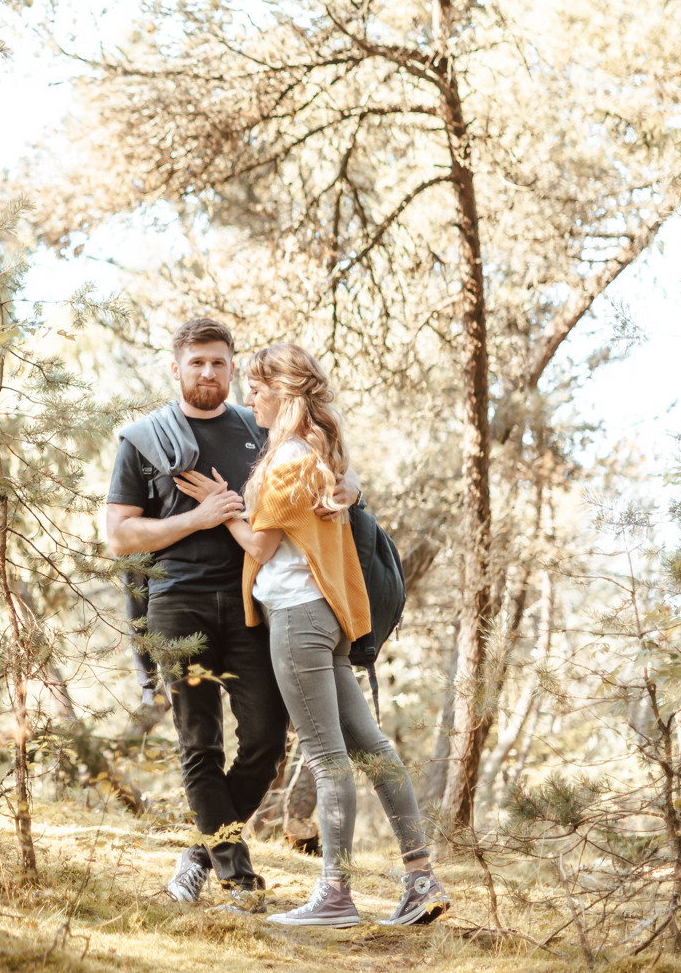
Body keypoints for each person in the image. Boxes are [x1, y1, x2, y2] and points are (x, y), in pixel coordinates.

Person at [180, 341, 448, 928]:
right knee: (372, 749)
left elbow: (259, 546)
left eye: (256, 388)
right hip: (329, 616)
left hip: (298, 618)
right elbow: (338, 499)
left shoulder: (285, 463)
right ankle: (421, 877)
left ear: (283, 393)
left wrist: (222, 506)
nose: (248, 398)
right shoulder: (321, 456)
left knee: (329, 759)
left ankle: (335, 896)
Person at [104, 319, 358, 908]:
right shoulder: (144, 440)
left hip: (251, 600)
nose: (209, 374)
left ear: (231, 364)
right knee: (200, 741)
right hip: (176, 601)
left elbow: (321, 462)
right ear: (176, 368)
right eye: (197, 363)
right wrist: (198, 517)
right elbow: (119, 537)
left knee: (268, 739)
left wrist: (352, 490)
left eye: (219, 362)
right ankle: (234, 875)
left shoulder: (257, 426)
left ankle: (198, 854)